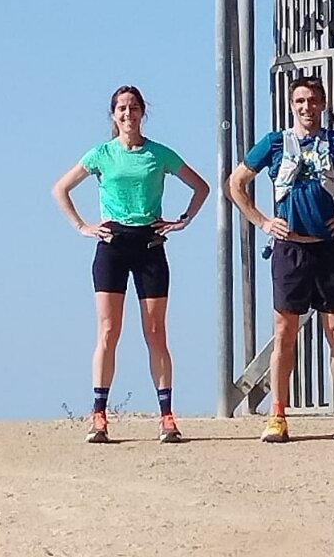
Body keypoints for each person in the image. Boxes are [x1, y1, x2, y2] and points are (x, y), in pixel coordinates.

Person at [227, 76, 334, 443]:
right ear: (291, 105)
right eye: (300, 101)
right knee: (284, 332)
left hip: (327, 247)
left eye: (313, 100)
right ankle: (277, 416)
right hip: (290, 248)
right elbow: (236, 183)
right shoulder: (274, 143)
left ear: (323, 104)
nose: (307, 107)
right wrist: (262, 221)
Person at [53, 85, 209, 444]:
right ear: (114, 114)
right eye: (122, 108)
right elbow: (61, 188)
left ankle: (167, 417)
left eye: (134, 107)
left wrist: (182, 220)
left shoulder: (159, 154)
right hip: (112, 244)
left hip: (150, 244)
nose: (128, 114)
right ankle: (99, 415)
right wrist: (82, 226)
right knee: (109, 331)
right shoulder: (101, 154)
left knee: (156, 332)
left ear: (142, 112)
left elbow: (201, 187)